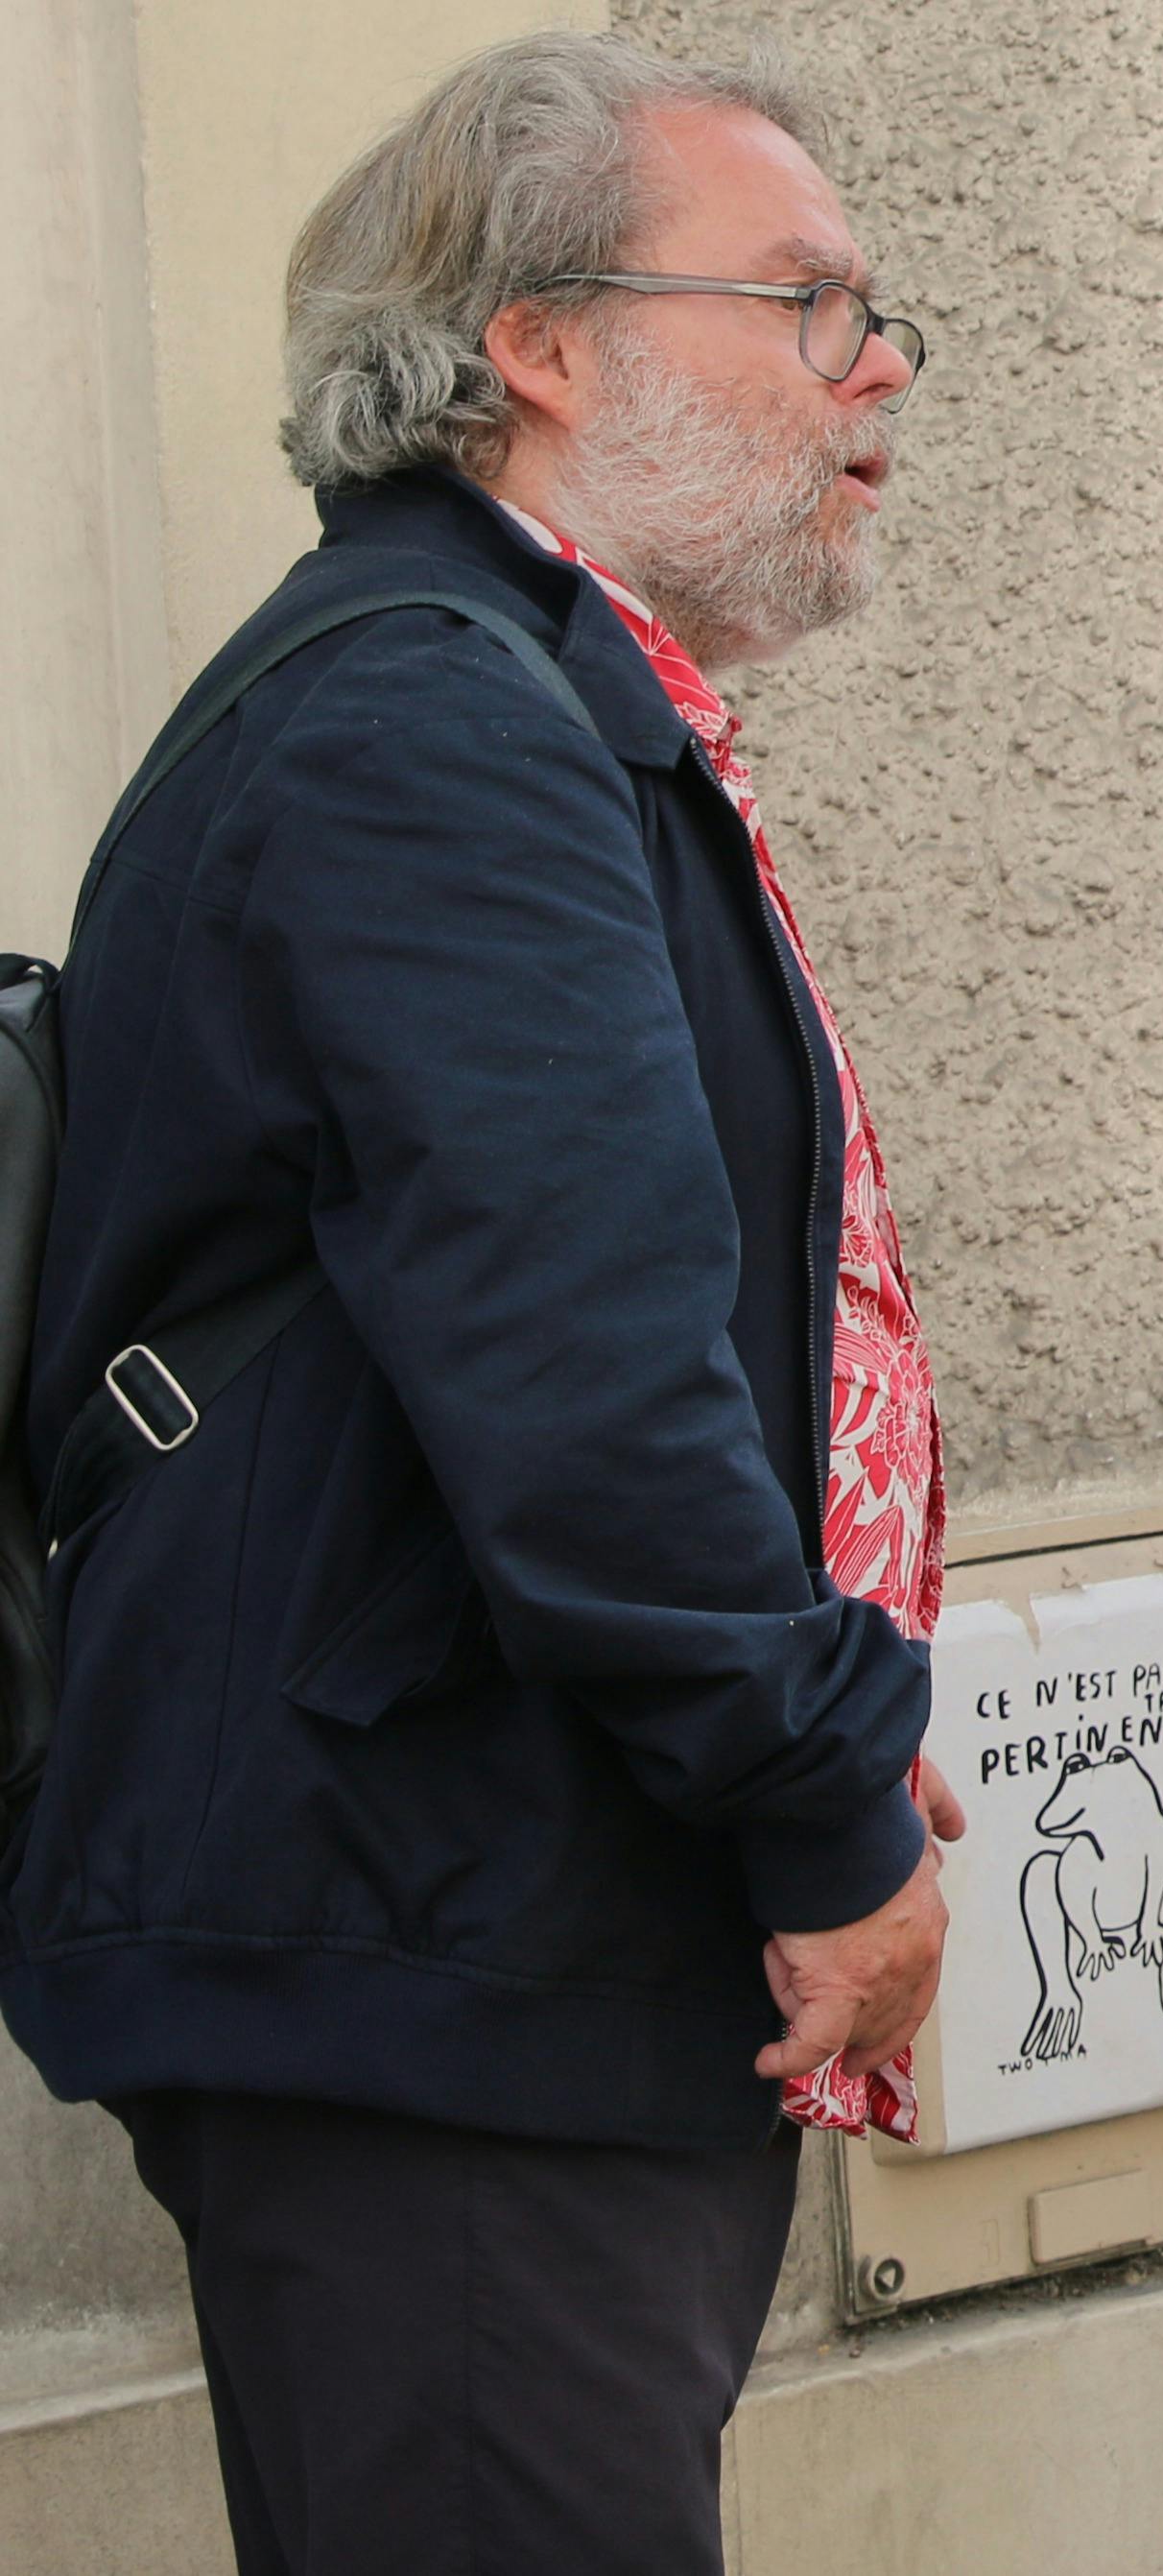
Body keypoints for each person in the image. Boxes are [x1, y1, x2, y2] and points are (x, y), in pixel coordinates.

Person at [0, 35, 962, 2569]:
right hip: (437, 1973)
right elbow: (589, 1384)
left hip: (485, 1943)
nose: (881, 366)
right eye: (808, 301)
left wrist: (816, 1694)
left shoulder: (520, 703)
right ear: (538, 342)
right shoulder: (433, 720)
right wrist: (816, 1792)